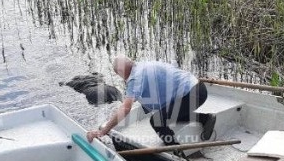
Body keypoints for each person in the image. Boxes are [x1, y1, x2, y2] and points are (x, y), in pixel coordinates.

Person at [86, 56, 216, 144]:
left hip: (192, 94)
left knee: (157, 120)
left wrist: (103, 131)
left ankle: (174, 150)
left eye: (119, 74)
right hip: (199, 89)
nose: (122, 78)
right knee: (167, 113)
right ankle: (205, 118)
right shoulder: (143, 66)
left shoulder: (135, 78)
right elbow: (150, 97)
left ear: (121, 71)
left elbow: (126, 108)